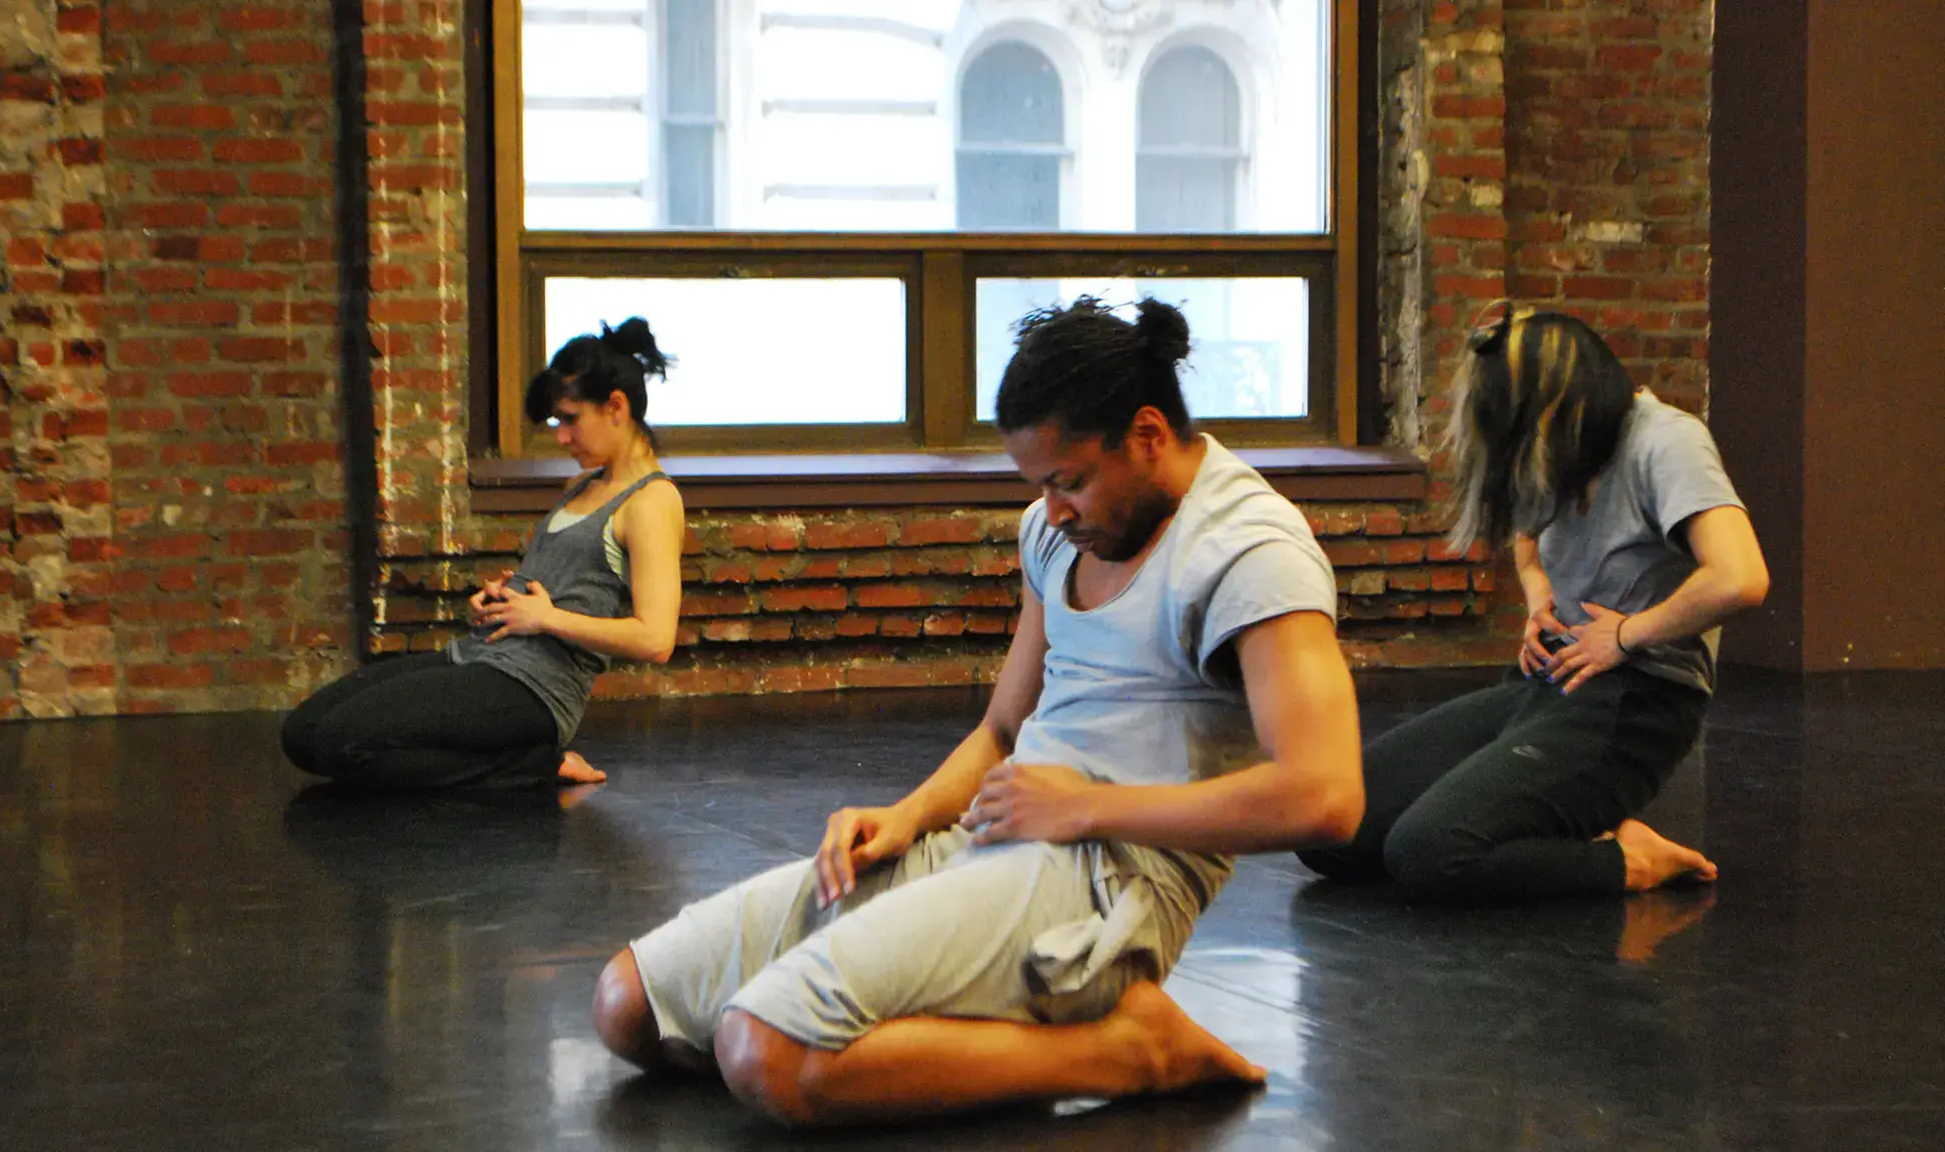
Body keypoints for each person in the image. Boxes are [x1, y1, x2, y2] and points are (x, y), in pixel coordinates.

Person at [591, 298, 1365, 1127]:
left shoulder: (1251, 550)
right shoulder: (1053, 531)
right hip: (997, 835)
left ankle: (1133, 1049)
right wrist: (908, 815)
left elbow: (1327, 797)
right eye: (1040, 486)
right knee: (628, 1006)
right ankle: (965, 1021)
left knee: (763, 1054)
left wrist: (1083, 808)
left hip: (1114, 882)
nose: (1053, 512)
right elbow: (1002, 729)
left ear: (1146, 434)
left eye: (1070, 482)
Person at [1298, 305, 1769, 903]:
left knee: (1428, 853)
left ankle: (1630, 860)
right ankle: (1573, 822)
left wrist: (1625, 635)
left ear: (1562, 402)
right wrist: (1538, 593)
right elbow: (1526, 534)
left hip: (1638, 703)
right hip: (1550, 683)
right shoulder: (1568, 444)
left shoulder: (1666, 441)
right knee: (1327, 825)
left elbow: (1740, 577)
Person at [280, 318, 686, 790]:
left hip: (534, 689)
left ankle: (535, 764)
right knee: (304, 733)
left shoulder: (652, 501)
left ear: (616, 406)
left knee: (342, 742)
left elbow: (655, 639)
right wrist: (502, 599)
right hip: (482, 655)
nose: (561, 437)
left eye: (570, 419)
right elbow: (563, 586)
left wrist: (546, 619)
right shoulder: (582, 485)